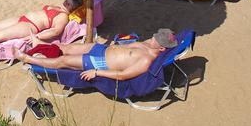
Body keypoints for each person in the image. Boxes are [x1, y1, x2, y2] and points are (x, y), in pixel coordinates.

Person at [17, 28, 179, 81]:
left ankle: (26, 58)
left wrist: (97, 72)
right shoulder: (147, 44)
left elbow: (122, 75)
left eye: (157, 39)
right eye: (156, 35)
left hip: (100, 62)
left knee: (63, 60)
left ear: (162, 49)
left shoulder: (146, 61)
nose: (153, 37)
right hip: (102, 49)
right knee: (66, 47)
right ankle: (40, 44)